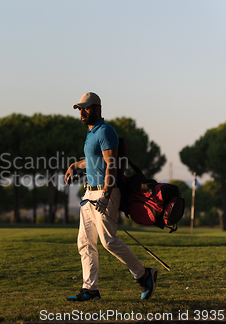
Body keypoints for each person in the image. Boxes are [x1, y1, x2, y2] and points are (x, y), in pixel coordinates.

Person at [64, 92, 157, 301]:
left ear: (97, 108)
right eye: (79, 108)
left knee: (108, 241)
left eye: (86, 108)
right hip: (89, 192)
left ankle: (144, 275)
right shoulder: (91, 133)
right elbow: (92, 161)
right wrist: (74, 166)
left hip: (105, 192)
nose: (82, 112)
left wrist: (106, 195)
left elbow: (111, 164)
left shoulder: (105, 132)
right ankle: (91, 289)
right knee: (85, 242)